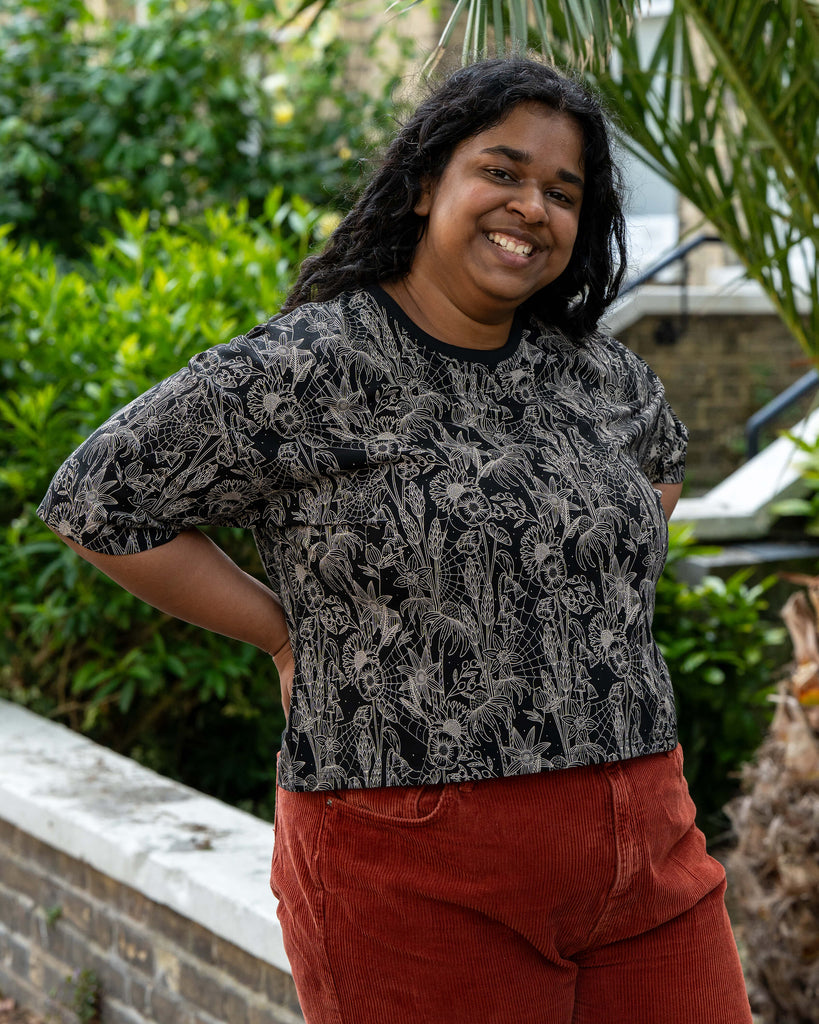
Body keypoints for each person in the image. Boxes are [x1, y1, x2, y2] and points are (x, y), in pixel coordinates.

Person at [39, 57, 753, 1024]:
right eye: (500, 172)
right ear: (424, 185)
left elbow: (657, 466)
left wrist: (562, 579)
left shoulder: (600, 376)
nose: (531, 207)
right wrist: (282, 633)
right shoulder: (309, 367)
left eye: (562, 192)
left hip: (647, 844)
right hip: (414, 861)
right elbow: (97, 499)